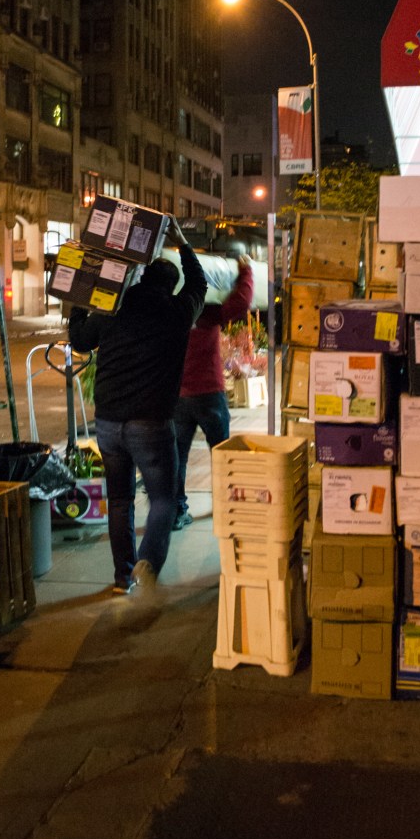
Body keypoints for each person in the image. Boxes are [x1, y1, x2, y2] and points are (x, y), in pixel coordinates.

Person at [68, 215, 207, 594]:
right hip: (151, 423)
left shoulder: (114, 309)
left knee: (120, 500)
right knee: (162, 499)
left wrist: (78, 299)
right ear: (172, 287)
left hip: (109, 423)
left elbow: (79, 340)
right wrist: (183, 242)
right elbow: (200, 283)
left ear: (144, 280)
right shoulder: (179, 314)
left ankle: (120, 578)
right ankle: (147, 567)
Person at [172, 255, 254, 529]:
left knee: (178, 457)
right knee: (222, 455)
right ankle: (225, 508)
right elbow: (240, 302)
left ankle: (176, 511)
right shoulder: (206, 311)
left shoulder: (171, 311)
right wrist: (246, 272)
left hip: (178, 396)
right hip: (209, 393)